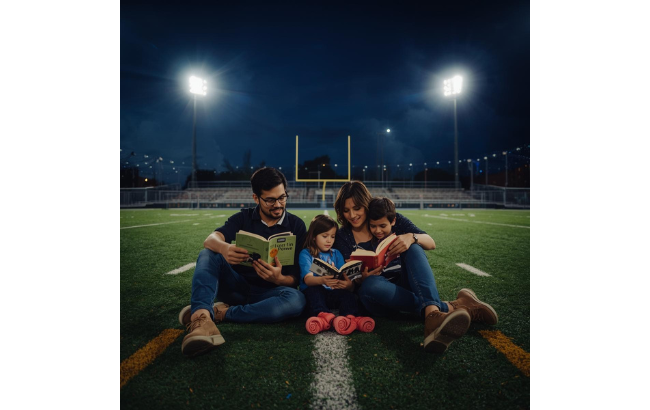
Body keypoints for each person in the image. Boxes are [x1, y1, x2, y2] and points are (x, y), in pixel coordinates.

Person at [333, 181, 498, 353]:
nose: (352, 215)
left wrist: (411, 237)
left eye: (357, 208)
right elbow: (348, 275)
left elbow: (430, 243)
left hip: (406, 282)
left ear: (366, 205)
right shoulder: (343, 236)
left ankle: (432, 315)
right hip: (376, 295)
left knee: (412, 245)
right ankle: (452, 306)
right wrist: (360, 279)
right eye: (346, 210)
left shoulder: (387, 216)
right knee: (370, 285)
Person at [178, 167, 307, 357]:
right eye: (270, 200)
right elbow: (210, 239)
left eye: (282, 197)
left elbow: (295, 279)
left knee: (297, 300)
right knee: (208, 254)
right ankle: (202, 320)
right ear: (256, 198)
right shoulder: (243, 218)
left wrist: (278, 279)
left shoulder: (296, 225)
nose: (278, 204)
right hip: (236, 287)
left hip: (270, 294)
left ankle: (221, 313)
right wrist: (225, 248)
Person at [299, 214, 375, 335]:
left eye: (333, 237)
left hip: (333, 291)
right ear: (313, 236)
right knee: (314, 292)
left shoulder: (336, 253)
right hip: (316, 291)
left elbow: (343, 276)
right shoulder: (306, 253)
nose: (329, 240)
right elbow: (308, 280)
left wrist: (348, 285)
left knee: (348, 296)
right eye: (324, 236)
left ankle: (351, 318)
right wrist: (323, 280)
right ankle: (323, 317)